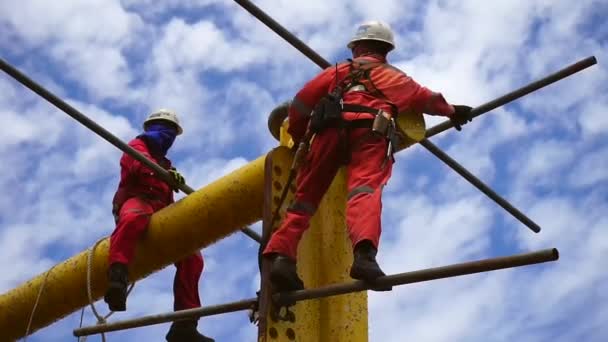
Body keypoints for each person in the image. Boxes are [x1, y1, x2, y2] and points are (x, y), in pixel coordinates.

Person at [262, 21, 473, 292]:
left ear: (357, 47)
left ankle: (282, 257)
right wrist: (453, 111)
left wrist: (302, 137)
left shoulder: (337, 72)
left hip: (328, 133)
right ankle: (364, 257)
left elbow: (301, 105)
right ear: (385, 50)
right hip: (370, 133)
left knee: (305, 198)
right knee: (364, 190)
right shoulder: (394, 78)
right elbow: (427, 100)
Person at [104, 109, 214, 342]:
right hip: (138, 201)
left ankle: (185, 323)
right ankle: (117, 278)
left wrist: (169, 176)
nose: (169, 136)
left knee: (192, 257)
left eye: (172, 132)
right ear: (152, 127)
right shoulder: (136, 146)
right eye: (166, 129)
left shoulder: (164, 164)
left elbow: (166, 201)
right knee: (133, 218)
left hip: (158, 211)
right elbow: (138, 167)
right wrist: (162, 173)